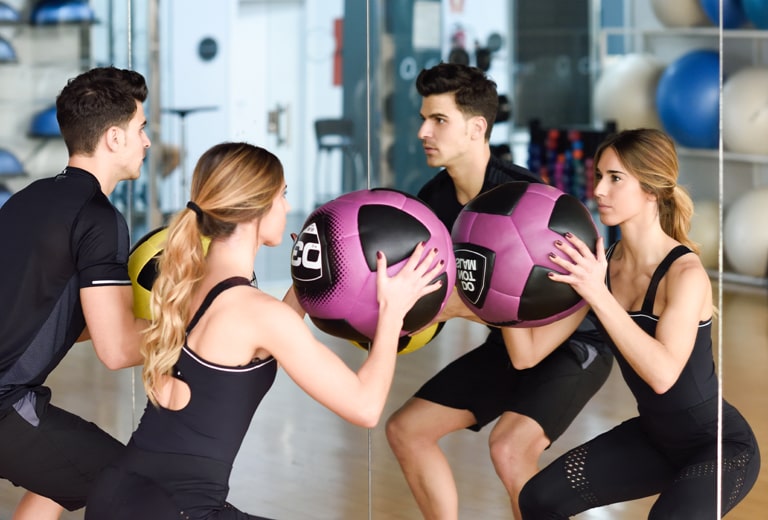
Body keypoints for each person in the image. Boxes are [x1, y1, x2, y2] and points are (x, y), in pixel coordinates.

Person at [85, 141, 446, 519]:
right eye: (283, 195)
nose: (288, 208)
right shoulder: (254, 311)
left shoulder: (188, 285)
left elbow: (261, 334)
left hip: (119, 494)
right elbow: (366, 406)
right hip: (175, 510)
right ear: (256, 209)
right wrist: (392, 313)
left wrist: (312, 276)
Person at [385, 62, 614, 520]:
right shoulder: (434, 202)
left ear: (477, 128)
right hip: (507, 339)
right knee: (406, 429)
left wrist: (457, 309)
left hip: (572, 341)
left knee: (509, 448)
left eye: (439, 120)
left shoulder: (527, 196)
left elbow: (573, 289)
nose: (423, 132)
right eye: (423, 118)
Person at [517, 128, 761, 518]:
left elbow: (662, 373)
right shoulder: (603, 265)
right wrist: (501, 297)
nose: (598, 190)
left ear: (651, 189)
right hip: (654, 439)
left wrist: (596, 292)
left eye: (616, 178)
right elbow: (527, 354)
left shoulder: (684, 274)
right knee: (539, 498)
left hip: (718, 447)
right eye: (599, 176)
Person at [0, 66, 151, 519]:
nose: (146, 141)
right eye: (140, 128)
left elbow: (44, 317)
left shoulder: (27, 198)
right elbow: (117, 349)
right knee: (130, 482)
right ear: (113, 137)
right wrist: (200, 324)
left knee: (63, 474)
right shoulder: (100, 219)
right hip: (4, 405)